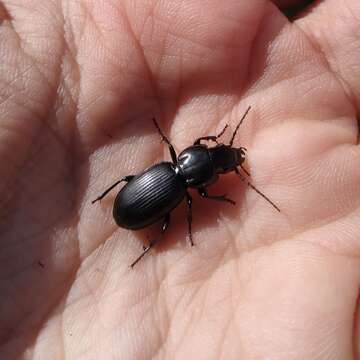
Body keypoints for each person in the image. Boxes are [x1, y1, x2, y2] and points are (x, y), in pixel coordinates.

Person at [0, 0, 359, 358]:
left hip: (142, 197)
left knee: (158, 207)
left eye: (222, 160)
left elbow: (200, 151)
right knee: (171, 218)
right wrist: (221, 200)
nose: (221, 157)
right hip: (144, 202)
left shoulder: (182, 159)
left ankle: (116, 214)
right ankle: (138, 235)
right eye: (222, 160)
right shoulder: (192, 187)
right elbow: (204, 182)